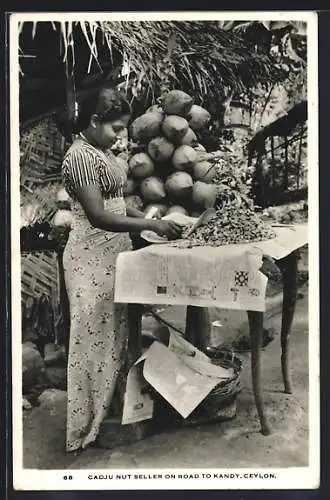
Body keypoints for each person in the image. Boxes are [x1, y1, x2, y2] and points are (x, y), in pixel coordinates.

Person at [61, 85, 182, 452]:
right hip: (89, 257)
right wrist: (152, 227)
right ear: (94, 121)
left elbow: (115, 203)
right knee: (93, 343)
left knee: (118, 336)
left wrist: (146, 218)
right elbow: (98, 216)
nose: (119, 137)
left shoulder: (98, 151)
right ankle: (89, 425)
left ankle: (118, 410)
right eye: (115, 129)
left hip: (115, 254)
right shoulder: (79, 157)